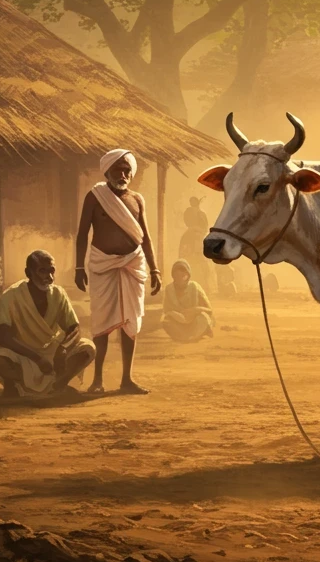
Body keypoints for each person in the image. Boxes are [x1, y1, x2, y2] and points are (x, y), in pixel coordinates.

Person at [75, 148, 161, 394]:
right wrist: (79, 266)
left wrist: (155, 270)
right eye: (118, 169)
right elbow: (82, 234)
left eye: (126, 170)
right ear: (107, 171)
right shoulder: (95, 196)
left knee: (131, 321)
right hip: (102, 266)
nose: (122, 174)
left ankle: (127, 379)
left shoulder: (137, 199)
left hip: (133, 265)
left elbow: (146, 238)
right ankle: (98, 380)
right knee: (101, 321)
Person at [0, 250, 95, 397]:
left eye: (52, 271)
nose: (49, 277)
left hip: (50, 352)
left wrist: (63, 349)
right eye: (42, 271)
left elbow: (74, 328)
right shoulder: (10, 296)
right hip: (22, 353)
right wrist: (37, 358)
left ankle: (59, 384)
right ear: (29, 273)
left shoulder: (58, 293)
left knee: (88, 348)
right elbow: (3, 337)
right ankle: (15, 385)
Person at [161, 260, 215, 342]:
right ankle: (183, 336)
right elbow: (166, 310)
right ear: (173, 275)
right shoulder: (169, 289)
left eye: (183, 275)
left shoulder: (195, 287)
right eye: (177, 275)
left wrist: (195, 310)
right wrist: (176, 314)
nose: (180, 277)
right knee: (166, 321)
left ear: (188, 275)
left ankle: (196, 334)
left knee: (203, 318)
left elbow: (209, 310)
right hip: (178, 323)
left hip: (195, 321)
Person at [179, 196, 213, 291]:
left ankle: (202, 284)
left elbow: (204, 226)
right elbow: (205, 226)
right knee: (199, 260)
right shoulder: (199, 213)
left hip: (195, 236)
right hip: (197, 236)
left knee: (197, 260)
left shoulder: (190, 213)